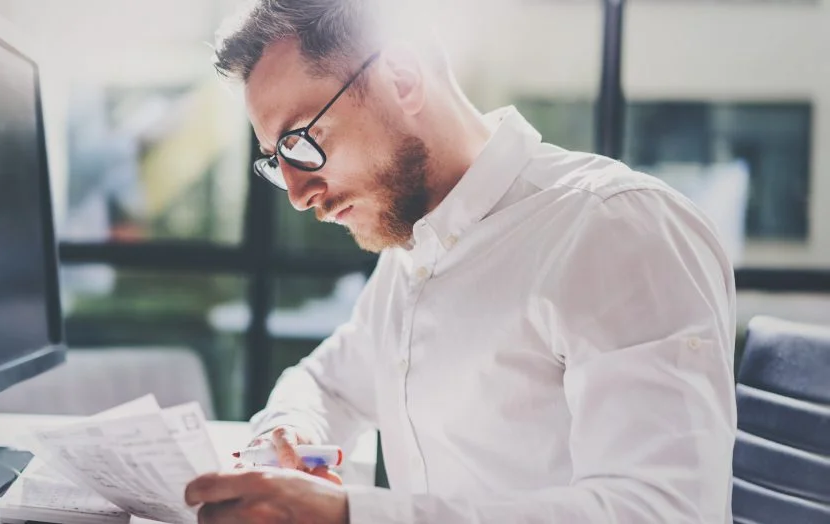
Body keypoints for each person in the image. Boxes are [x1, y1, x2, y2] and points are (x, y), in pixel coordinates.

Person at [185, 1, 737, 522]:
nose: (298, 193)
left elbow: (665, 511)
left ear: (401, 79)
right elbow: (328, 383)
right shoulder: (414, 245)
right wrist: (290, 429)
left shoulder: (615, 229)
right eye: (276, 161)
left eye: (302, 139)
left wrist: (352, 515)